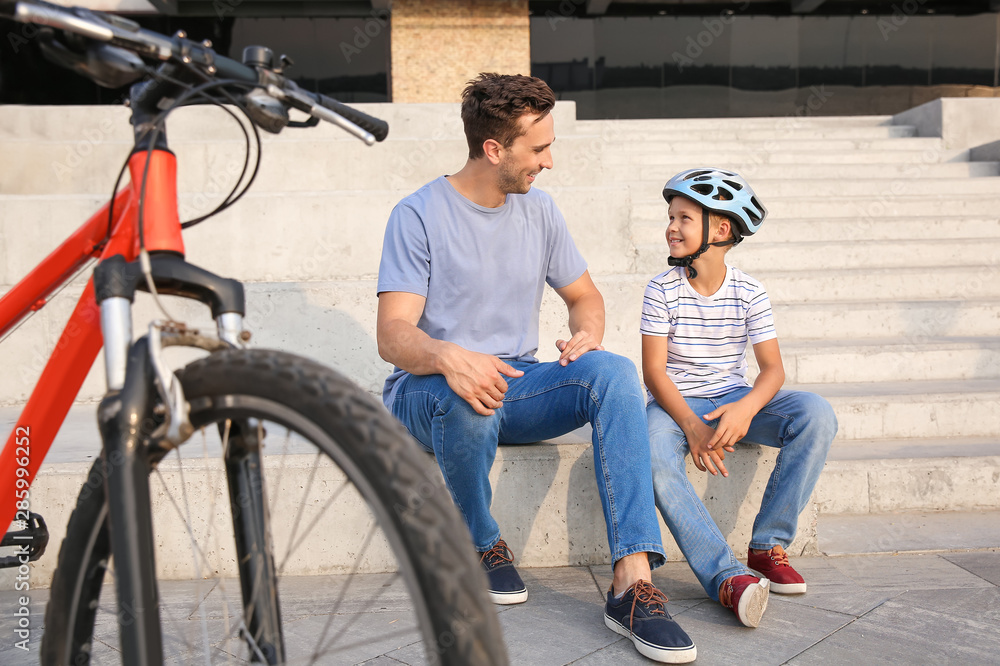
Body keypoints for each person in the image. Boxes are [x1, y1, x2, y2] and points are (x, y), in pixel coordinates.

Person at [376, 73, 696, 663]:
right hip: (426, 389)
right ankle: (480, 541)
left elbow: (586, 298)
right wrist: (450, 356)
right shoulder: (418, 214)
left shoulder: (540, 210)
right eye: (539, 149)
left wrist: (588, 332)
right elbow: (393, 336)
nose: (549, 163)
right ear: (494, 149)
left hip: (517, 381)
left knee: (615, 372)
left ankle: (630, 580)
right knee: (471, 393)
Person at [640, 167, 838, 628]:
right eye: (670, 217)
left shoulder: (749, 291)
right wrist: (693, 426)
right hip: (674, 404)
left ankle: (768, 545)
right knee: (650, 452)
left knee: (815, 414)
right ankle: (726, 576)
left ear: (721, 229)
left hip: (734, 395)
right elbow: (653, 372)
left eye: (684, 218)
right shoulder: (661, 289)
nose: (671, 226)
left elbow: (773, 371)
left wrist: (747, 407)